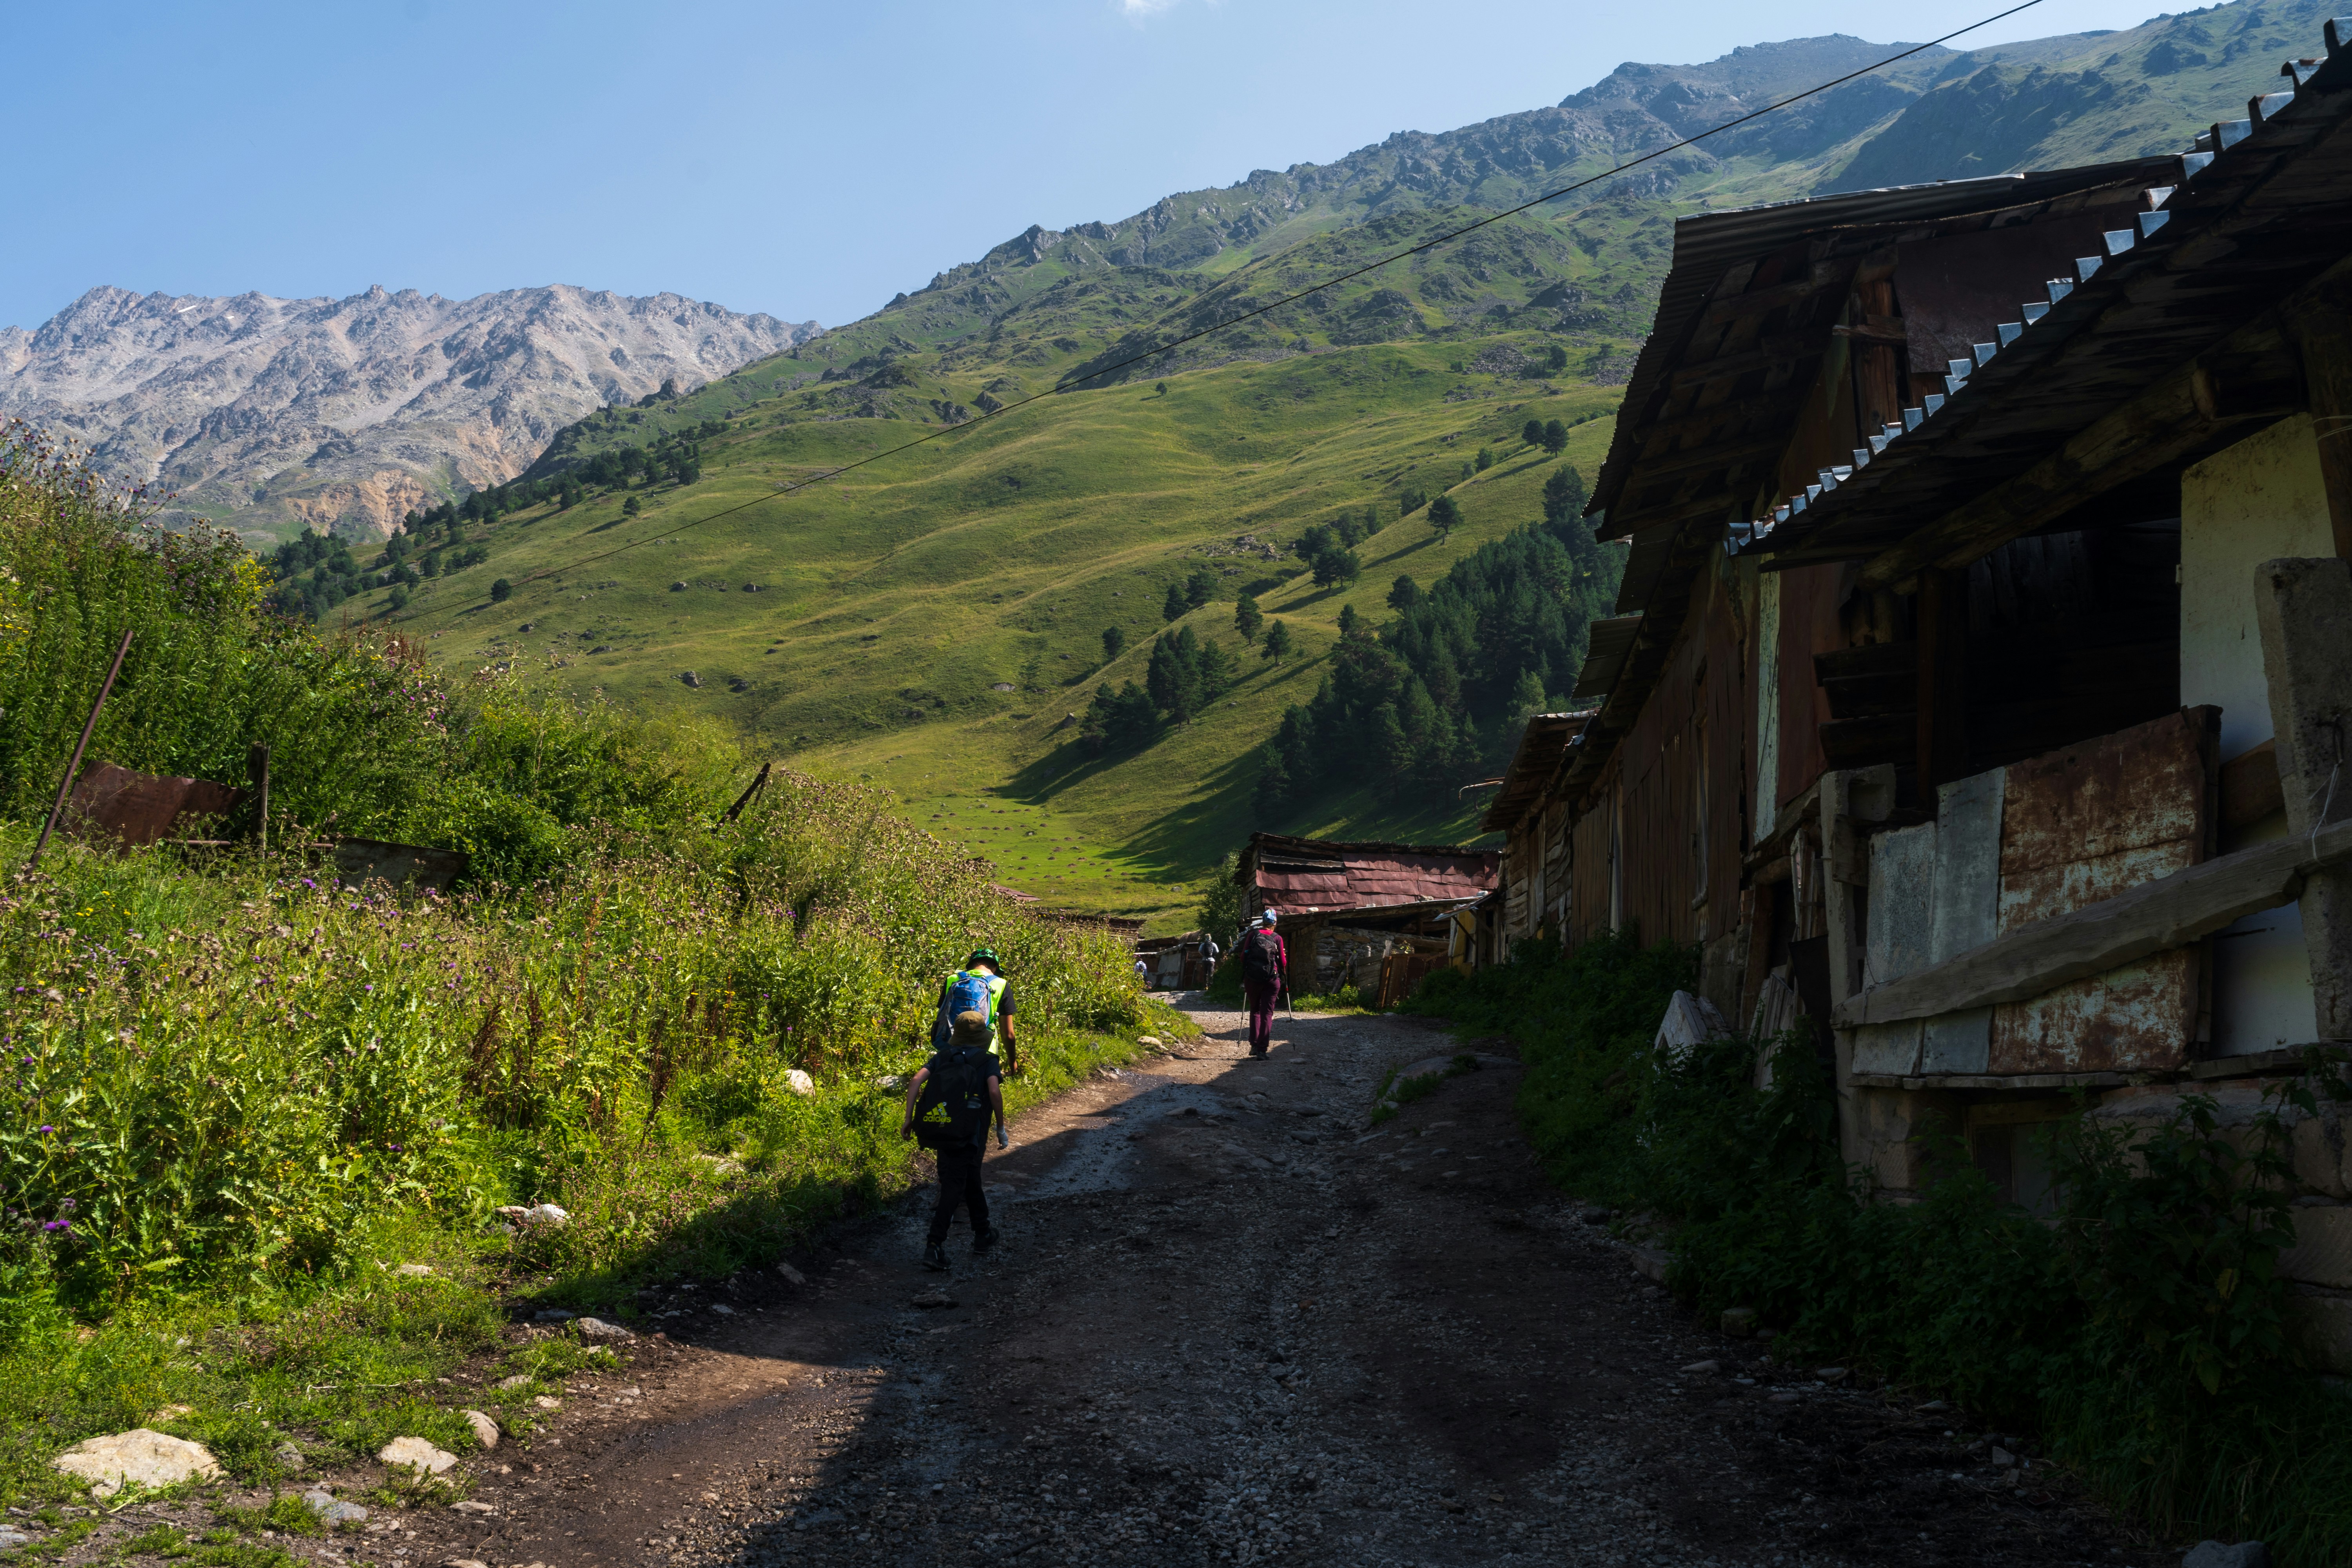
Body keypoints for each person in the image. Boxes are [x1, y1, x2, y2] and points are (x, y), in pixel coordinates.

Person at [901, 1010, 1005, 1272]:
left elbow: (916, 1081)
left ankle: (983, 1233)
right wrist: (1001, 1127)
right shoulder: (987, 1060)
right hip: (970, 1132)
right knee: (954, 1185)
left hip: (942, 1128)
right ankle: (934, 1245)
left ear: (956, 1035)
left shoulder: (943, 1056)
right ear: (982, 1036)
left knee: (968, 1177)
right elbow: (994, 1090)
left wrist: (909, 1118)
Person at [932, 946, 1020, 1085]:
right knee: (981, 1094)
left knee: (946, 1092)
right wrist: (1012, 1062)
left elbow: (942, 1016)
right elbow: (1008, 1033)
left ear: (970, 965)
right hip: (984, 1052)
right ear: (995, 968)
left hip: (950, 1046)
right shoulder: (1001, 984)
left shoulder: (953, 979)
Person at [1237, 912, 1287, 1059]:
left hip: (1252, 978)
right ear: (1275, 923)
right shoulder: (1277, 938)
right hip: (1272, 979)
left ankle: (1254, 1045)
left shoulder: (1253, 936)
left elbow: (1243, 958)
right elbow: (1283, 963)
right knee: (1267, 1013)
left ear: (1263, 921)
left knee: (1255, 1010)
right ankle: (1262, 1050)